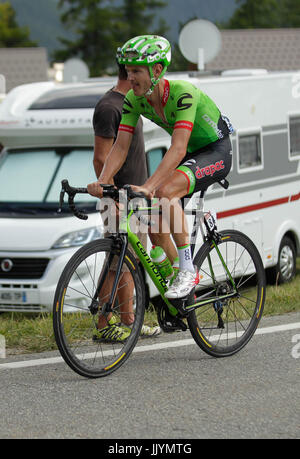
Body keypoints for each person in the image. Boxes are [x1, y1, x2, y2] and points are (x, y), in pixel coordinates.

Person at [88, 34, 233, 302]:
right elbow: (120, 147)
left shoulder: (183, 94)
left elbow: (177, 148)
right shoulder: (134, 99)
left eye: (136, 71)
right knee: (152, 221)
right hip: (190, 153)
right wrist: (104, 180)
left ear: (157, 70)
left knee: (164, 191)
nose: (130, 78)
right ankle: (179, 288)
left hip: (215, 151)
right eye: (128, 71)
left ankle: (188, 270)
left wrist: (148, 186)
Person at [92, 59, 161, 342]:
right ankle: (104, 322)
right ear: (129, 74)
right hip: (119, 198)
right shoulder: (110, 107)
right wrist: (111, 193)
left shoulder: (129, 102)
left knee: (130, 261)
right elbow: (100, 157)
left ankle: (128, 320)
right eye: (136, 73)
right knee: (117, 259)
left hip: (136, 196)